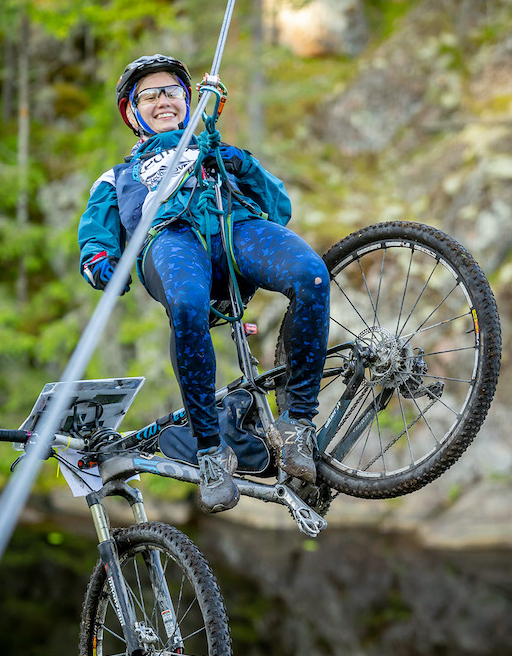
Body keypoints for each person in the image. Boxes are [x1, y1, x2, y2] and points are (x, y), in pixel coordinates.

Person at [78, 53, 330, 514]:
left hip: (234, 226)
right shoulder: (116, 178)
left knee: (311, 275)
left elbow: (278, 206)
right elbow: (96, 237)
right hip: (170, 238)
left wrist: (236, 161)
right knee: (187, 304)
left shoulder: (212, 150)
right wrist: (101, 265)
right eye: (150, 95)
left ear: (187, 100)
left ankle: (297, 425)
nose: (163, 100)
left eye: (172, 91)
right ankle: (211, 452)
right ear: (132, 113)